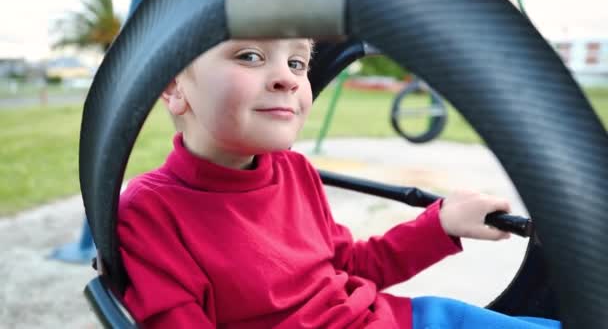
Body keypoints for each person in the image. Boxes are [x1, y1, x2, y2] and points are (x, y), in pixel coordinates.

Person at [117, 38, 560, 328]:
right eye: (249, 55)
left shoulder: (295, 171)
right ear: (175, 87)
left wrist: (440, 225)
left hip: (404, 320)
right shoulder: (149, 211)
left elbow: (349, 266)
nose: (287, 77)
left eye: (297, 62)